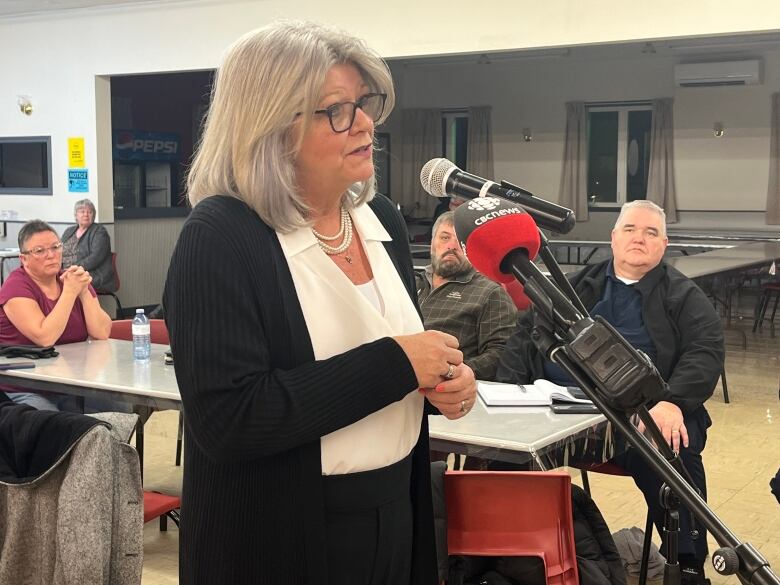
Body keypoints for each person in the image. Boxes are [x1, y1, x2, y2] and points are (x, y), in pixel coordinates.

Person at [163, 21, 477, 585]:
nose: (364, 123)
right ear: (271, 127)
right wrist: (398, 363)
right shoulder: (221, 235)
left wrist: (443, 384)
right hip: (281, 533)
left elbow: (395, 363)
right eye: (337, 109)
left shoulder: (380, 220)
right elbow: (229, 420)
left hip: (395, 509)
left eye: (364, 104)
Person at [497, 200, 724, 585]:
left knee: (675, 450)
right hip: (560, 407)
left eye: (651, 232)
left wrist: (673, 403)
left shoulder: (684, 295)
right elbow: (525, 337)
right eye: (631, 229)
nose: (640, 238)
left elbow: (706, 351)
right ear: (613, 238)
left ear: (664, 244)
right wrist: (504, 395)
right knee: (499, 456)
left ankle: (686, 563)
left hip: (641, 413)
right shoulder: (576, 284)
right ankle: (506, 557)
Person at [0, 220, 112, 411]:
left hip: (72, 380)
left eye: (55, 247)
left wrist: (83, 292)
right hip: (24, 386)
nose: (50, 255)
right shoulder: (16, 286)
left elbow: (101, 332)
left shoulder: (72, 279)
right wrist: (70, 293)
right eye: (39, 251)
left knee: (116, 407)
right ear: (23, 258)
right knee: (53, 423)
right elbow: (45, 337)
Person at [417, 211, 517, 381]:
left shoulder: (489, 293)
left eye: (460, 240)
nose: (451, 246)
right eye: (444, 237)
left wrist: (451, 373)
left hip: (446, 390)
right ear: (432, 245)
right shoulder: (409, 282)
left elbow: (501, 354)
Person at [60, 198, 116, 292]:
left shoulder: (99, 232)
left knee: (68, 282)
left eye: (89, 212)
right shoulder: (69, 231)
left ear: (93, 215)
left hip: (91, 273)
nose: (86, 214)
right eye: (82, 212)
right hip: (68, 272)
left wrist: (72, 269)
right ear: (76, 215)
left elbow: (95, 258)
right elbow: (59, 251)